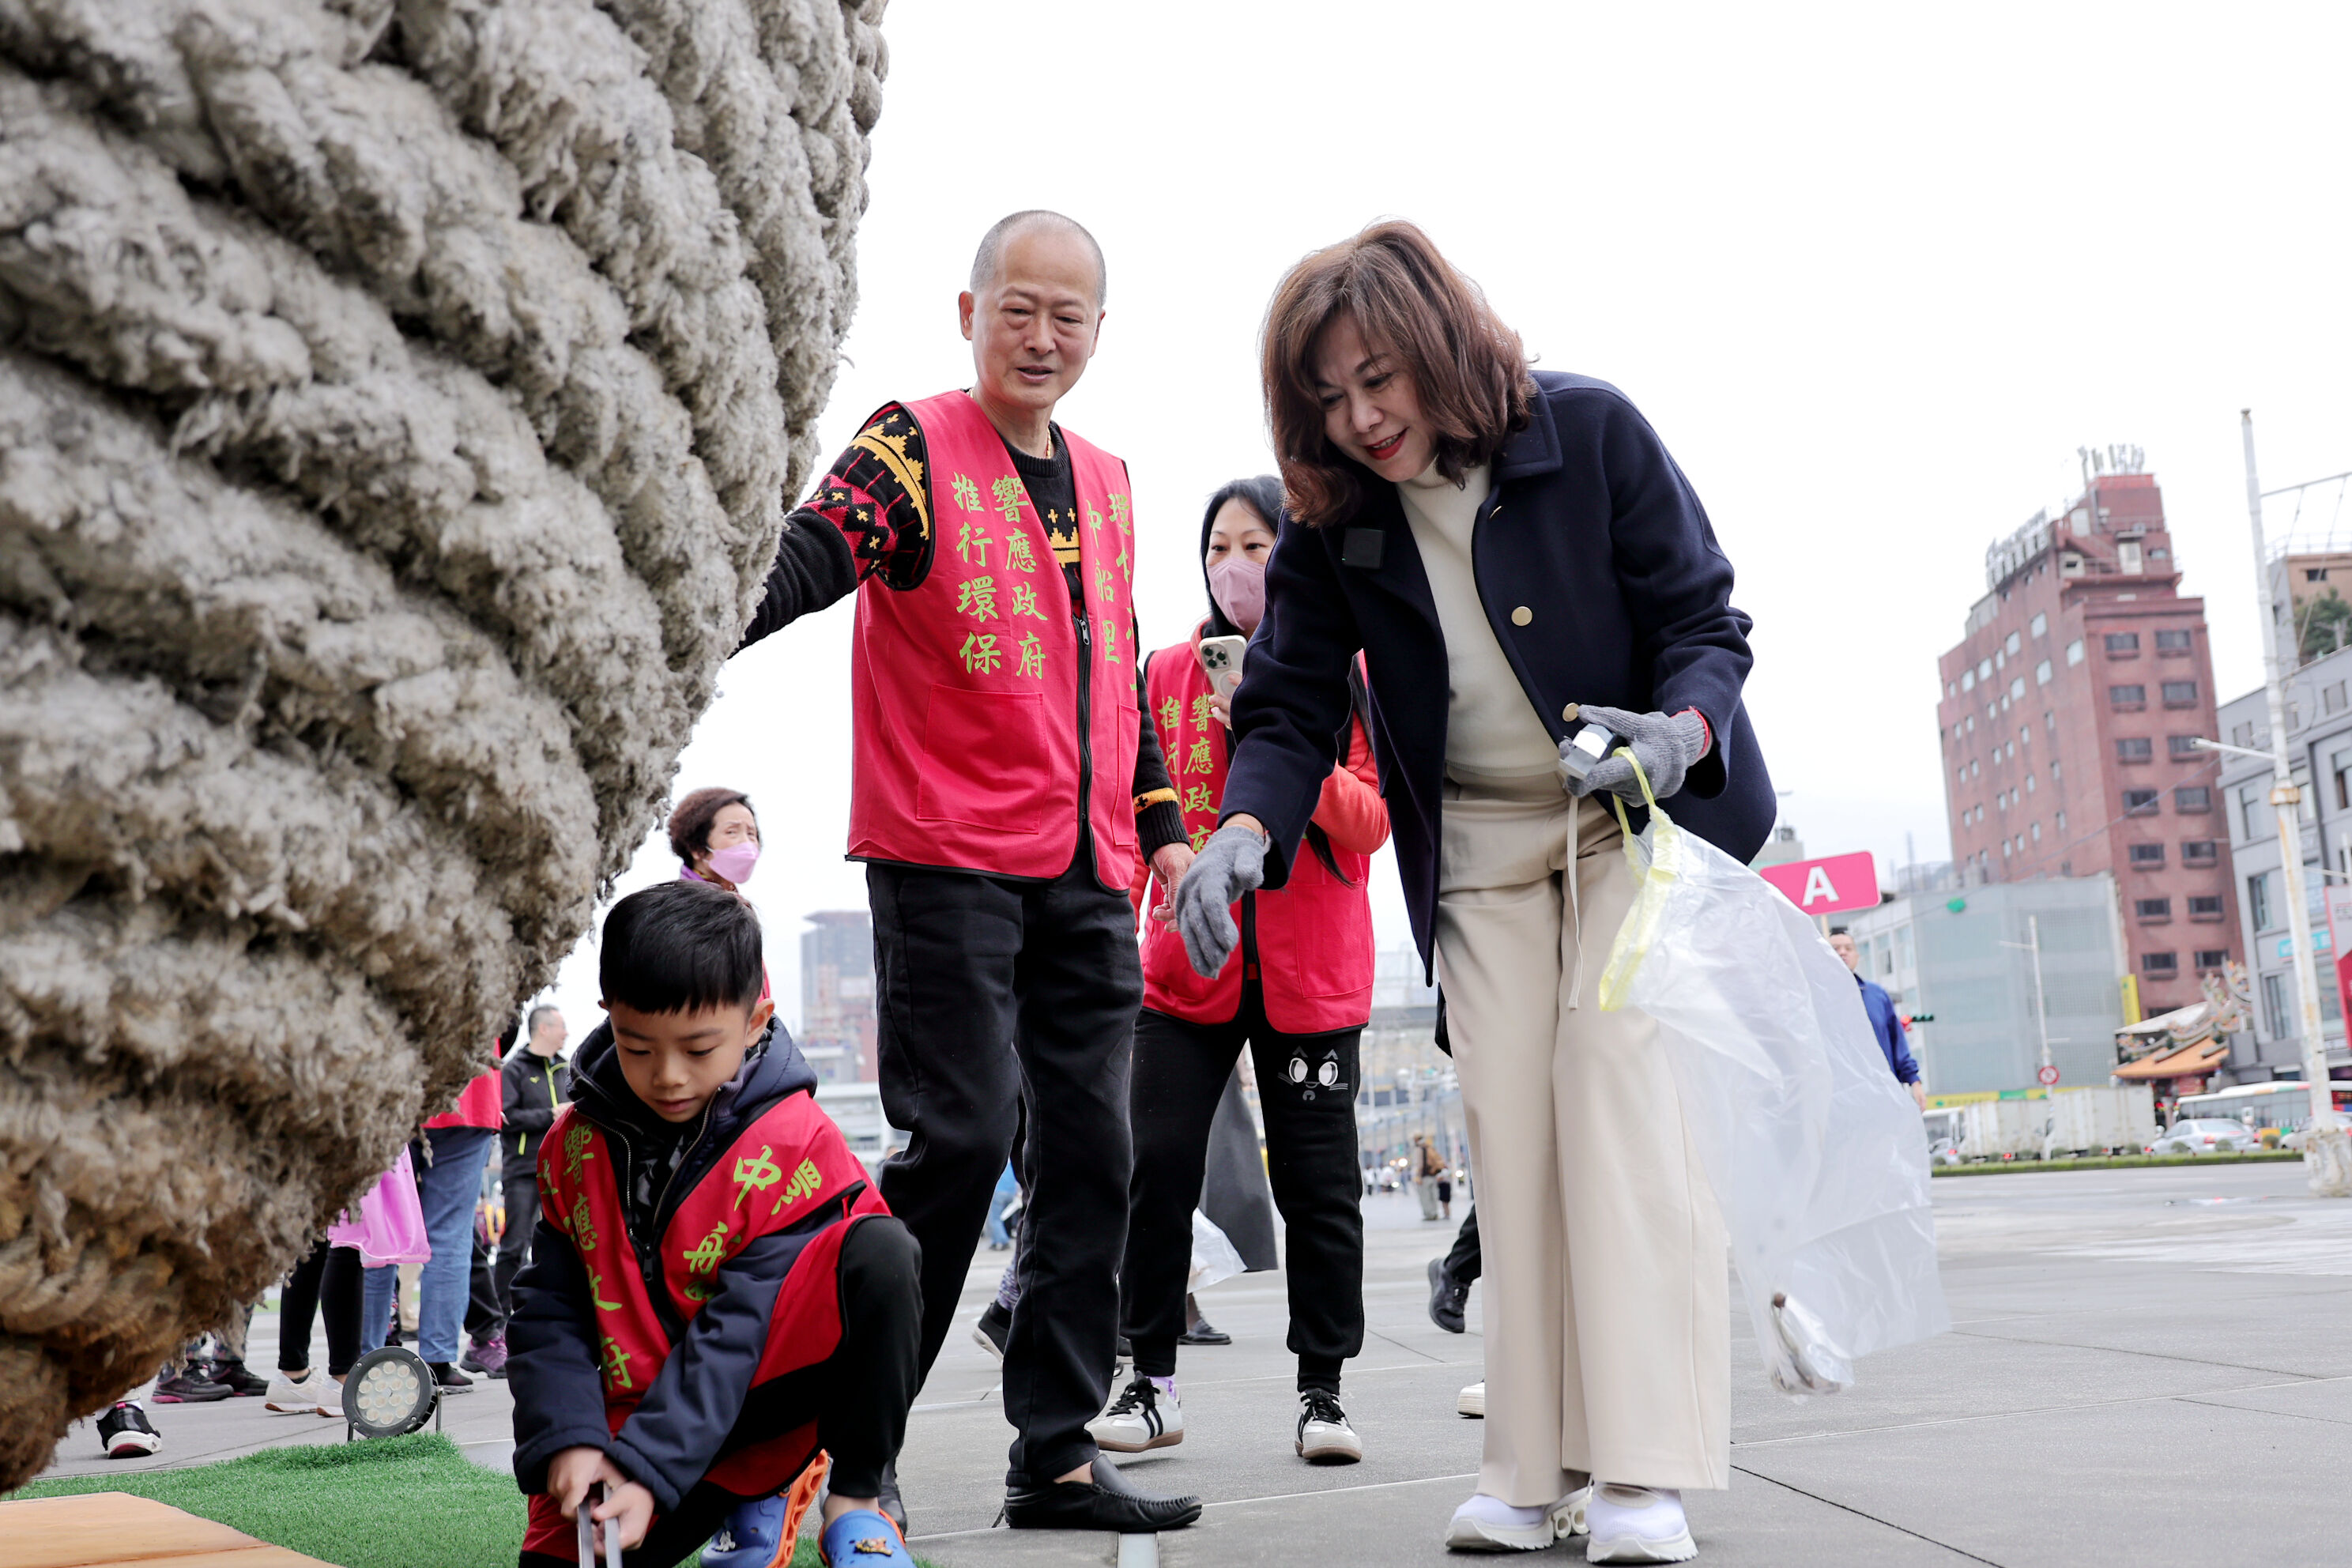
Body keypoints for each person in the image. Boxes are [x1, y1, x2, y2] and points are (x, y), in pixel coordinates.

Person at [1174, 220, 1774, 1561]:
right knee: (1511, 1141)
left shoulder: (1591, 432)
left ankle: (1640, 1471)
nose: (1361, 415)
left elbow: (1704, 621)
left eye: (1377, 376)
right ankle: (1531, 1463)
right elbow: (1279, 707)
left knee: (1619, 1108)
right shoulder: (1336, 521)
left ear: (1443, 343)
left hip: (1628, 824)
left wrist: (1678, 730)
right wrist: (1241, 834)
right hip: (1481, 848)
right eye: (1327, 396)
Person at [732, 209, 1202, 1534]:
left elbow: (1117, 680)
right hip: (944, 858)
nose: (1042, 335)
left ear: (1099, 331)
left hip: (1089, 872)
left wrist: (1164, 825)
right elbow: (814, 553)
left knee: (1099, 1153)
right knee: (962, 1141)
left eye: (1069, 315)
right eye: (1019, 307)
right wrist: (686, 613)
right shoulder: (911, 443)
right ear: (968, 310)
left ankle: (1051, 1453)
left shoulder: (1109, 480)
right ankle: (846, 1460)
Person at [1099, 474, 1387, 1468]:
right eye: (1221, 545)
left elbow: (1371, 820)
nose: (1238, 565)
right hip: (1186, 971)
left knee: (1319, 1184)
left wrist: (1258, 727)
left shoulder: (1343, 666)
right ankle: (1148, 1378)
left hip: (1309, 975)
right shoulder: (1165, 669)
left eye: (1259, 545)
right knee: (1157, 1166)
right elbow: (1143, 813)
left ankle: (1322, 1389)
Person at [506, 880, 922, 1568]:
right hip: (633, 1413)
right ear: (609, 1014)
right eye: (638, 1048)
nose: (668, 1076)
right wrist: (570, 1439)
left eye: (699, 1050)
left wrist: (646, 1471)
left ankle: (852, 1499)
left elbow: (737, 1330)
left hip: (759, 1393)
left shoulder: (795, 1142)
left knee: (883, 1251)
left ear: (757, 1021)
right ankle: (747, 1495)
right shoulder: (570, 1146)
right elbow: (551, 1308)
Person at [488, 1004, 573, 1369]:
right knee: (514, 1245)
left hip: (561, 1170)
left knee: (563, 1244)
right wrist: (548, 1116)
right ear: (543, 1029)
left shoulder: (565, 1069)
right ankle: (495, 1325)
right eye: (562, 1027)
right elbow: (505, 1117)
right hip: (524, 1169)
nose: (566, 1034)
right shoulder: (515, 1070)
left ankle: (555, 1315)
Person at [1829, 930, 1929, 1111]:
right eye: (1835, 948)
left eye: (1848, 948)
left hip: (1882, 1091)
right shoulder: (1816, 997)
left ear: (1857, 956)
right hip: (1839, 1097)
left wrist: (1915, 1081)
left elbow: (1897, 1042)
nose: (1842, 952)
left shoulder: (1877, 995)